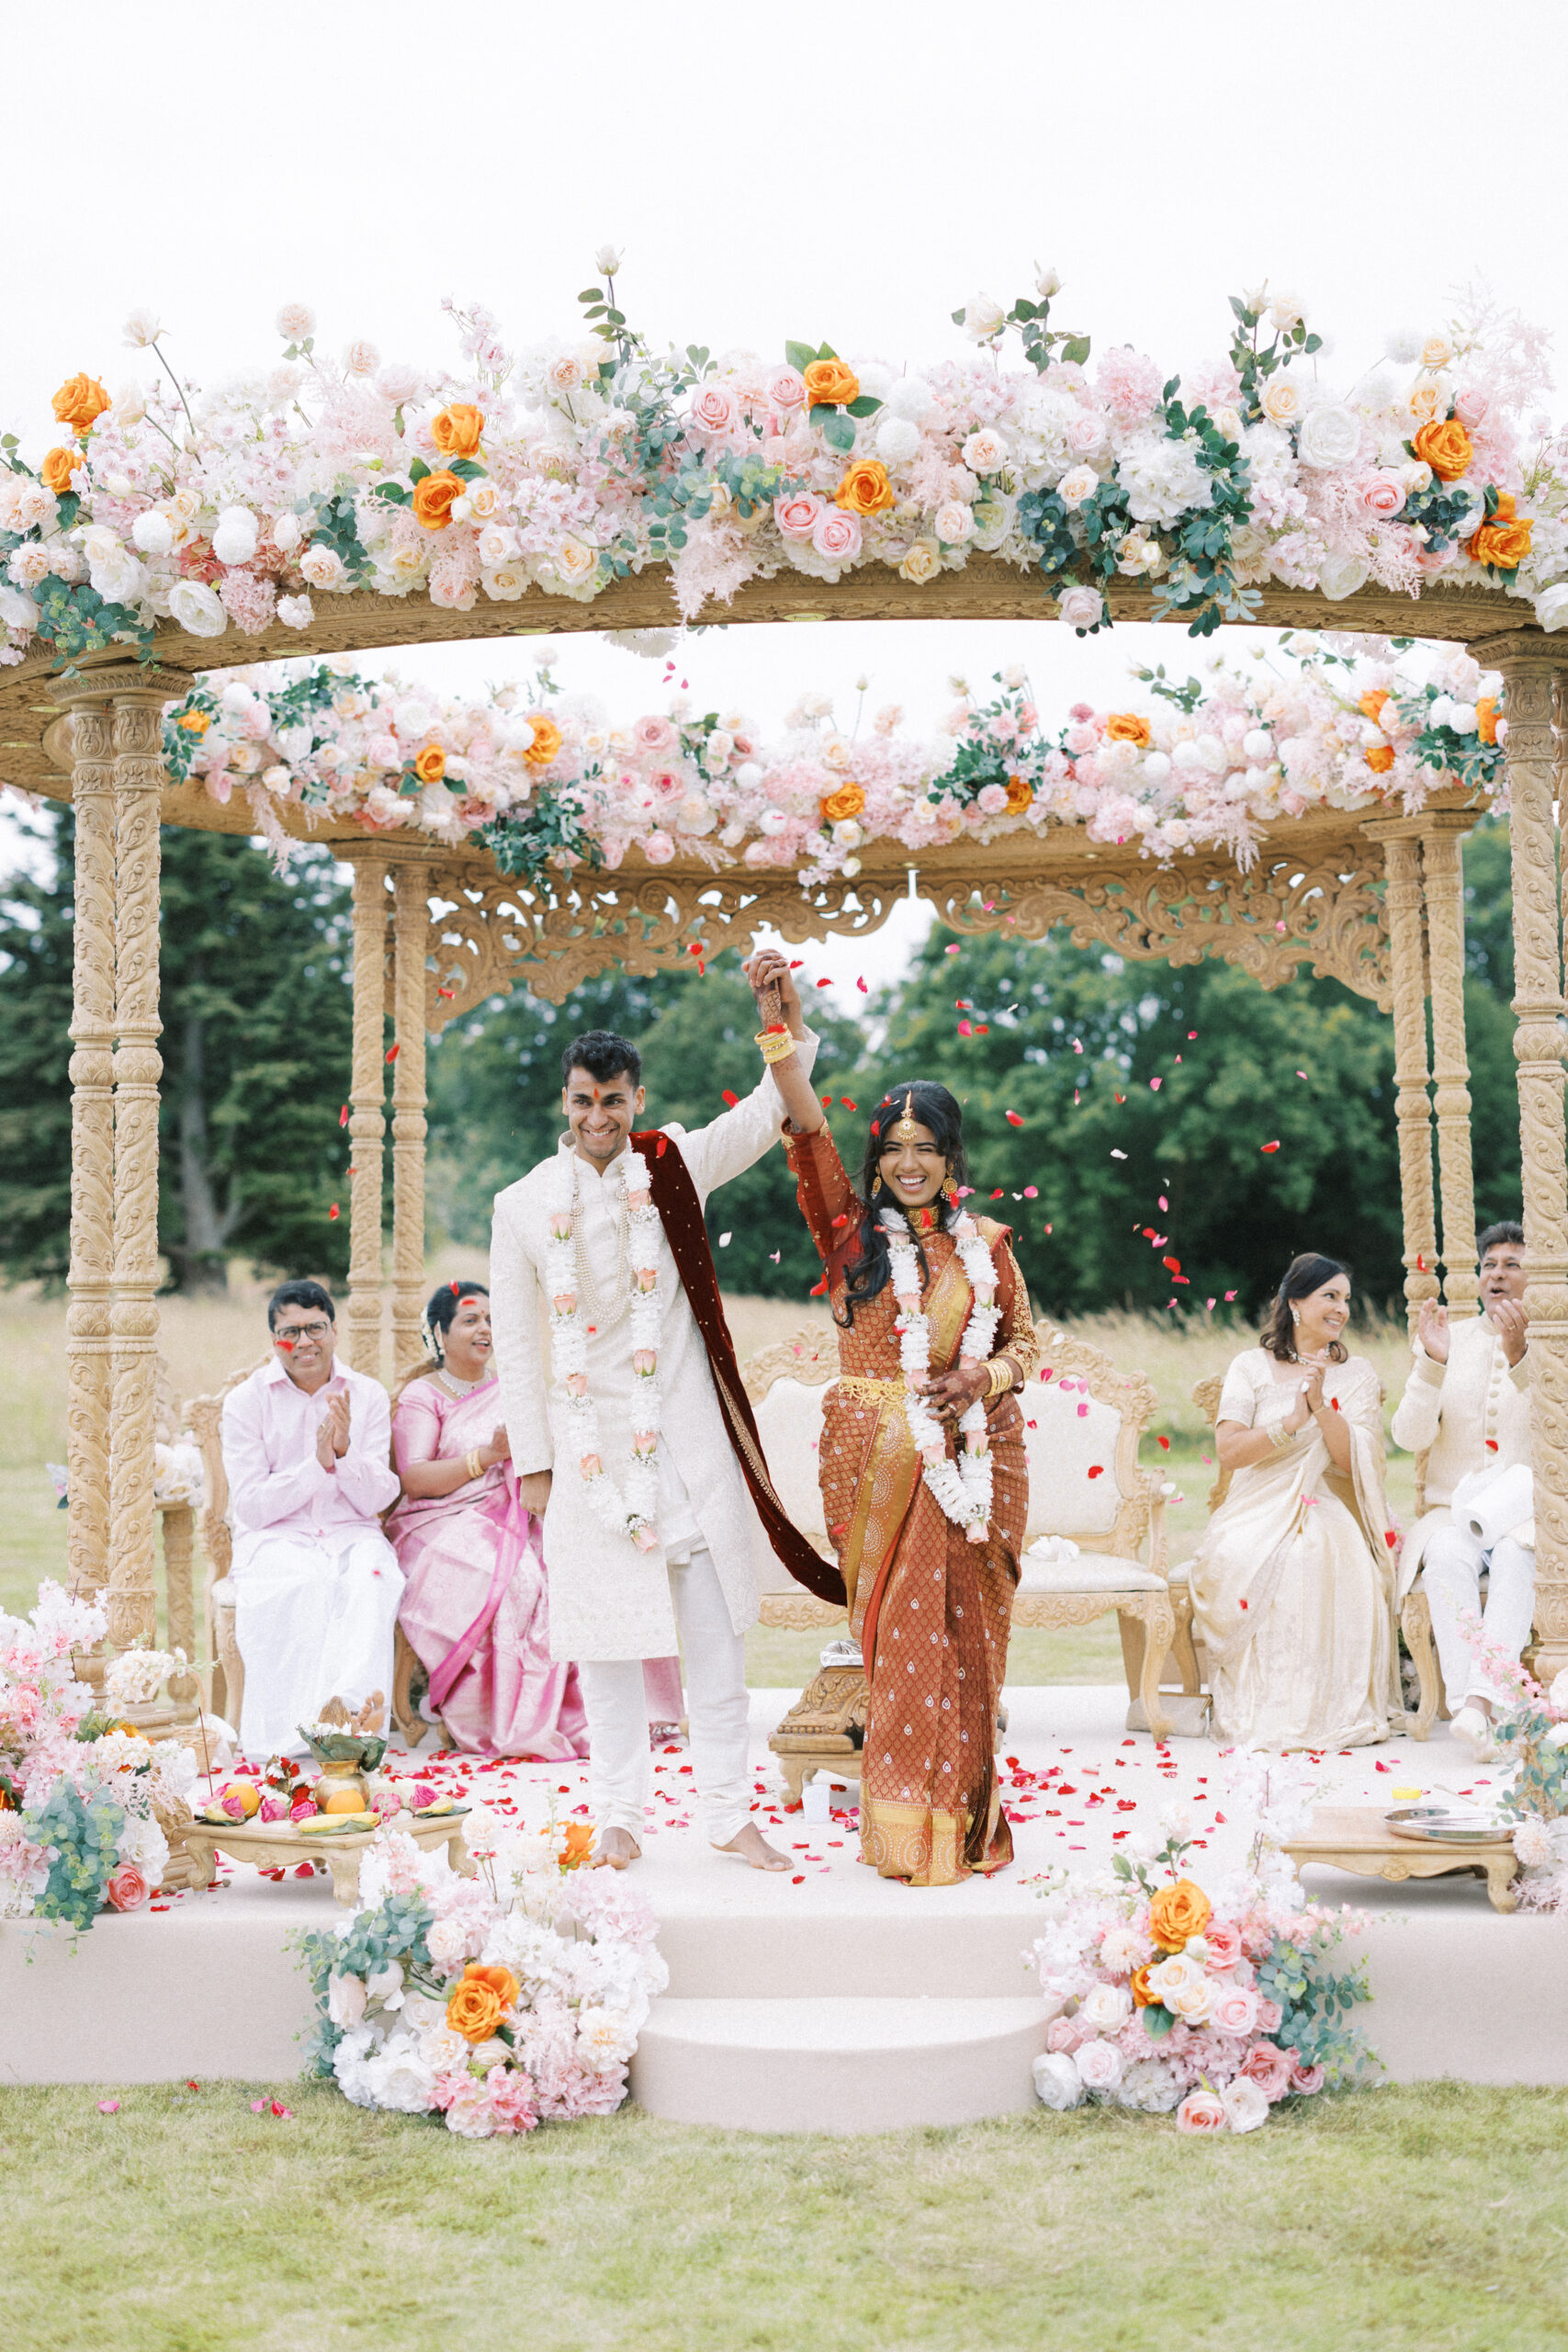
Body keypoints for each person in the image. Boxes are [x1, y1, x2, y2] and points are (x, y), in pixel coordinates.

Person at [489, 950, 838, 1871]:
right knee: (607, 1646)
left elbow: (771, 1113)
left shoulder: (674, 1164)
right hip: (590, 1458)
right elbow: (518, 1348)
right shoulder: (522, 1207)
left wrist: (778, 1022)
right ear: (564, 1106)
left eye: (613, 1100)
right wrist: (533, 1463)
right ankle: (619, 1816)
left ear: (636, 1099)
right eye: (581, 1102)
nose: (597, 1118)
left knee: (716, 1638)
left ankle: (728, 1812)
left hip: (686, 1446)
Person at [760, 1040, 1040, 1886]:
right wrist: (784, 1041)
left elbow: (1026, 1342)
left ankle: (960, 1824)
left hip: (979, 1452)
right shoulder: (848, 1234)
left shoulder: (986, 1245)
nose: (909, 1163)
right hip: (876, 1458)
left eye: (926, 1148)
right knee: (903, 1645)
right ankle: (903, 1831)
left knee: (970, 1646)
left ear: (952, 1158)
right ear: (876, 1159)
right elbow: (809, 1138)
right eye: (892, 1148)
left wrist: (979, 1376)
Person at [1193, 1254, 1400, 1749]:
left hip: (1321, 1500)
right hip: (1253, 1506)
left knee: (1321, 1554)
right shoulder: (1250, 1366)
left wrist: (1322, 1407)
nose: (1342, 1309)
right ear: (1295, 1303)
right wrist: (1290, 1423)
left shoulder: (1359, 1373)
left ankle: (1325, 1708)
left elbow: (1357, 1462)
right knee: (1262, 1556)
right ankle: (1268, 1705)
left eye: (1346, 1299)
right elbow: (1230, 1451)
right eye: (1330, 1296)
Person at [388, 1282, 590, 1759]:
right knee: (514, 1579)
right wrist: (487, 1456)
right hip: (436, 1521)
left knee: (559, 1571)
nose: (485, 1330)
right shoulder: (424, 1395)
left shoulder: (511, 1390)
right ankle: (492, 1718)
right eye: (470, 1319)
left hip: (510, 1515)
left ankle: (562, 1714)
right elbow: (414, 1479)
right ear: (440, 1331)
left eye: (491, 1321)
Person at [221, 1280, 402, 1758]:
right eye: (289, 1332)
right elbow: (253, 1507)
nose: (304, 1342)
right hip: (278, 1537)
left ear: (334, 1331)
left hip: (352, 1532)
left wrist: (344, 1454)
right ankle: (291, 1736)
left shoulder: (367, 1395)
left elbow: (379, 1498)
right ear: (274, 1339)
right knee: (301, 1586)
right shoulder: (246, 1401)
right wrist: (316, 1465)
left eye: (315, 1328)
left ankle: (351, 1729)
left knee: (371, 1581)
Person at [1390, 1223, 1534, 1758]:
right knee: (1448, 1556)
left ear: (1536, 1276)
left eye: (1512, 1264)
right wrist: (1431, 1365)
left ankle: (1480, 1703)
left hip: (1527, 1515)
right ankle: (1472, 1706)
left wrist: (1521, 1356)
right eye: (1489, 1264)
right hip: (1452, 1511)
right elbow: (1408, 1437)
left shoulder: (1557, 1338)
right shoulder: (1452, 1340)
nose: (1497, 1274)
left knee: (1519, 1561)